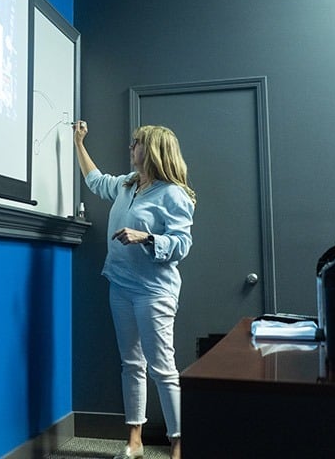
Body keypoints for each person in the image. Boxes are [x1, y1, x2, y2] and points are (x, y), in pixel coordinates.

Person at [73, 120, 196, 459]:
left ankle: (179, 443)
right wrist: (78, 143)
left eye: (136, 143)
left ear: (153, 150)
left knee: (162, 368)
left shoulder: (174, 194)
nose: (131, 148)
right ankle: (135, 441)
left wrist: (147, 237)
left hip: (154, 291)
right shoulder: (127, 185)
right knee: (131, 364)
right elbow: (96, 181)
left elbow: (183, 245)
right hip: (121, 286)